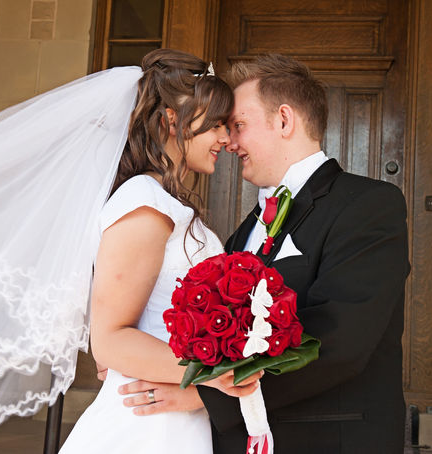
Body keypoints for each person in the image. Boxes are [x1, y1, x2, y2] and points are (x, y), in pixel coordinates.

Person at [120, 54, 410, 454]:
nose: (229, 141)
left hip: (325, 440)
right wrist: (133, 353)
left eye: (238, 125)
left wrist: (208, 394)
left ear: (285, 120)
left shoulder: (368, 204)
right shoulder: (246, 228)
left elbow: (341, 339)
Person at [0, 48, 262, 450]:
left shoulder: (163, 201)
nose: (224, 137)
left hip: (171, 410)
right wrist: (212, 372)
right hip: (145, 425)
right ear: (170, 120)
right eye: (215, 123)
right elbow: (110, 341)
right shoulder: (145, 203)